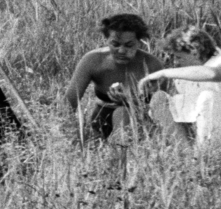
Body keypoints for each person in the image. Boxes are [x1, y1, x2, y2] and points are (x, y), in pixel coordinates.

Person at [137, 25, 221, 157]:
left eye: (179, 57)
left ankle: (203, 155)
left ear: (194, 51)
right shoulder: (186, 76)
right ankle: (190, 156)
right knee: (159, 98)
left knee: (207, 96)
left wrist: (163, 73)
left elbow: (212, 74)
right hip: (208, 138)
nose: (175, 62)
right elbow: (188, 114)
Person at [64, 12, 163, 141]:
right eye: (115, 44)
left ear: (140, 42)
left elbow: (163, 108)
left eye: (129, 45)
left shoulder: (152, 65)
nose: (121, 51)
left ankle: (119, 149)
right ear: (107, 41)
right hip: (102, 120)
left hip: (139, 120)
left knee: (122, 112)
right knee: (120, 113)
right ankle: (113, 148)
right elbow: (69, 102)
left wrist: (131, 101)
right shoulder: (93, 61)